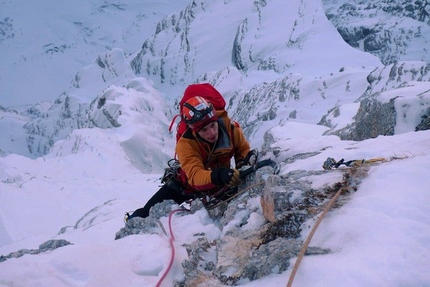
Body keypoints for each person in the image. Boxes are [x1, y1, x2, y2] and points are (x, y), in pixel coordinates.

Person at [127, 94, 252, 219]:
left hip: (218, 185)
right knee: (147, 214)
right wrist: (219, 175)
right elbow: (195, 176)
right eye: (204, 130)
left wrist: (242, 163)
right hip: (184, 186)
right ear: (194, 131)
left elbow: (242, 149)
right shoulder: (185, 144)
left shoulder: (231, 129)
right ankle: (133, 222)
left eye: (213, 125)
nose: (212, 133)